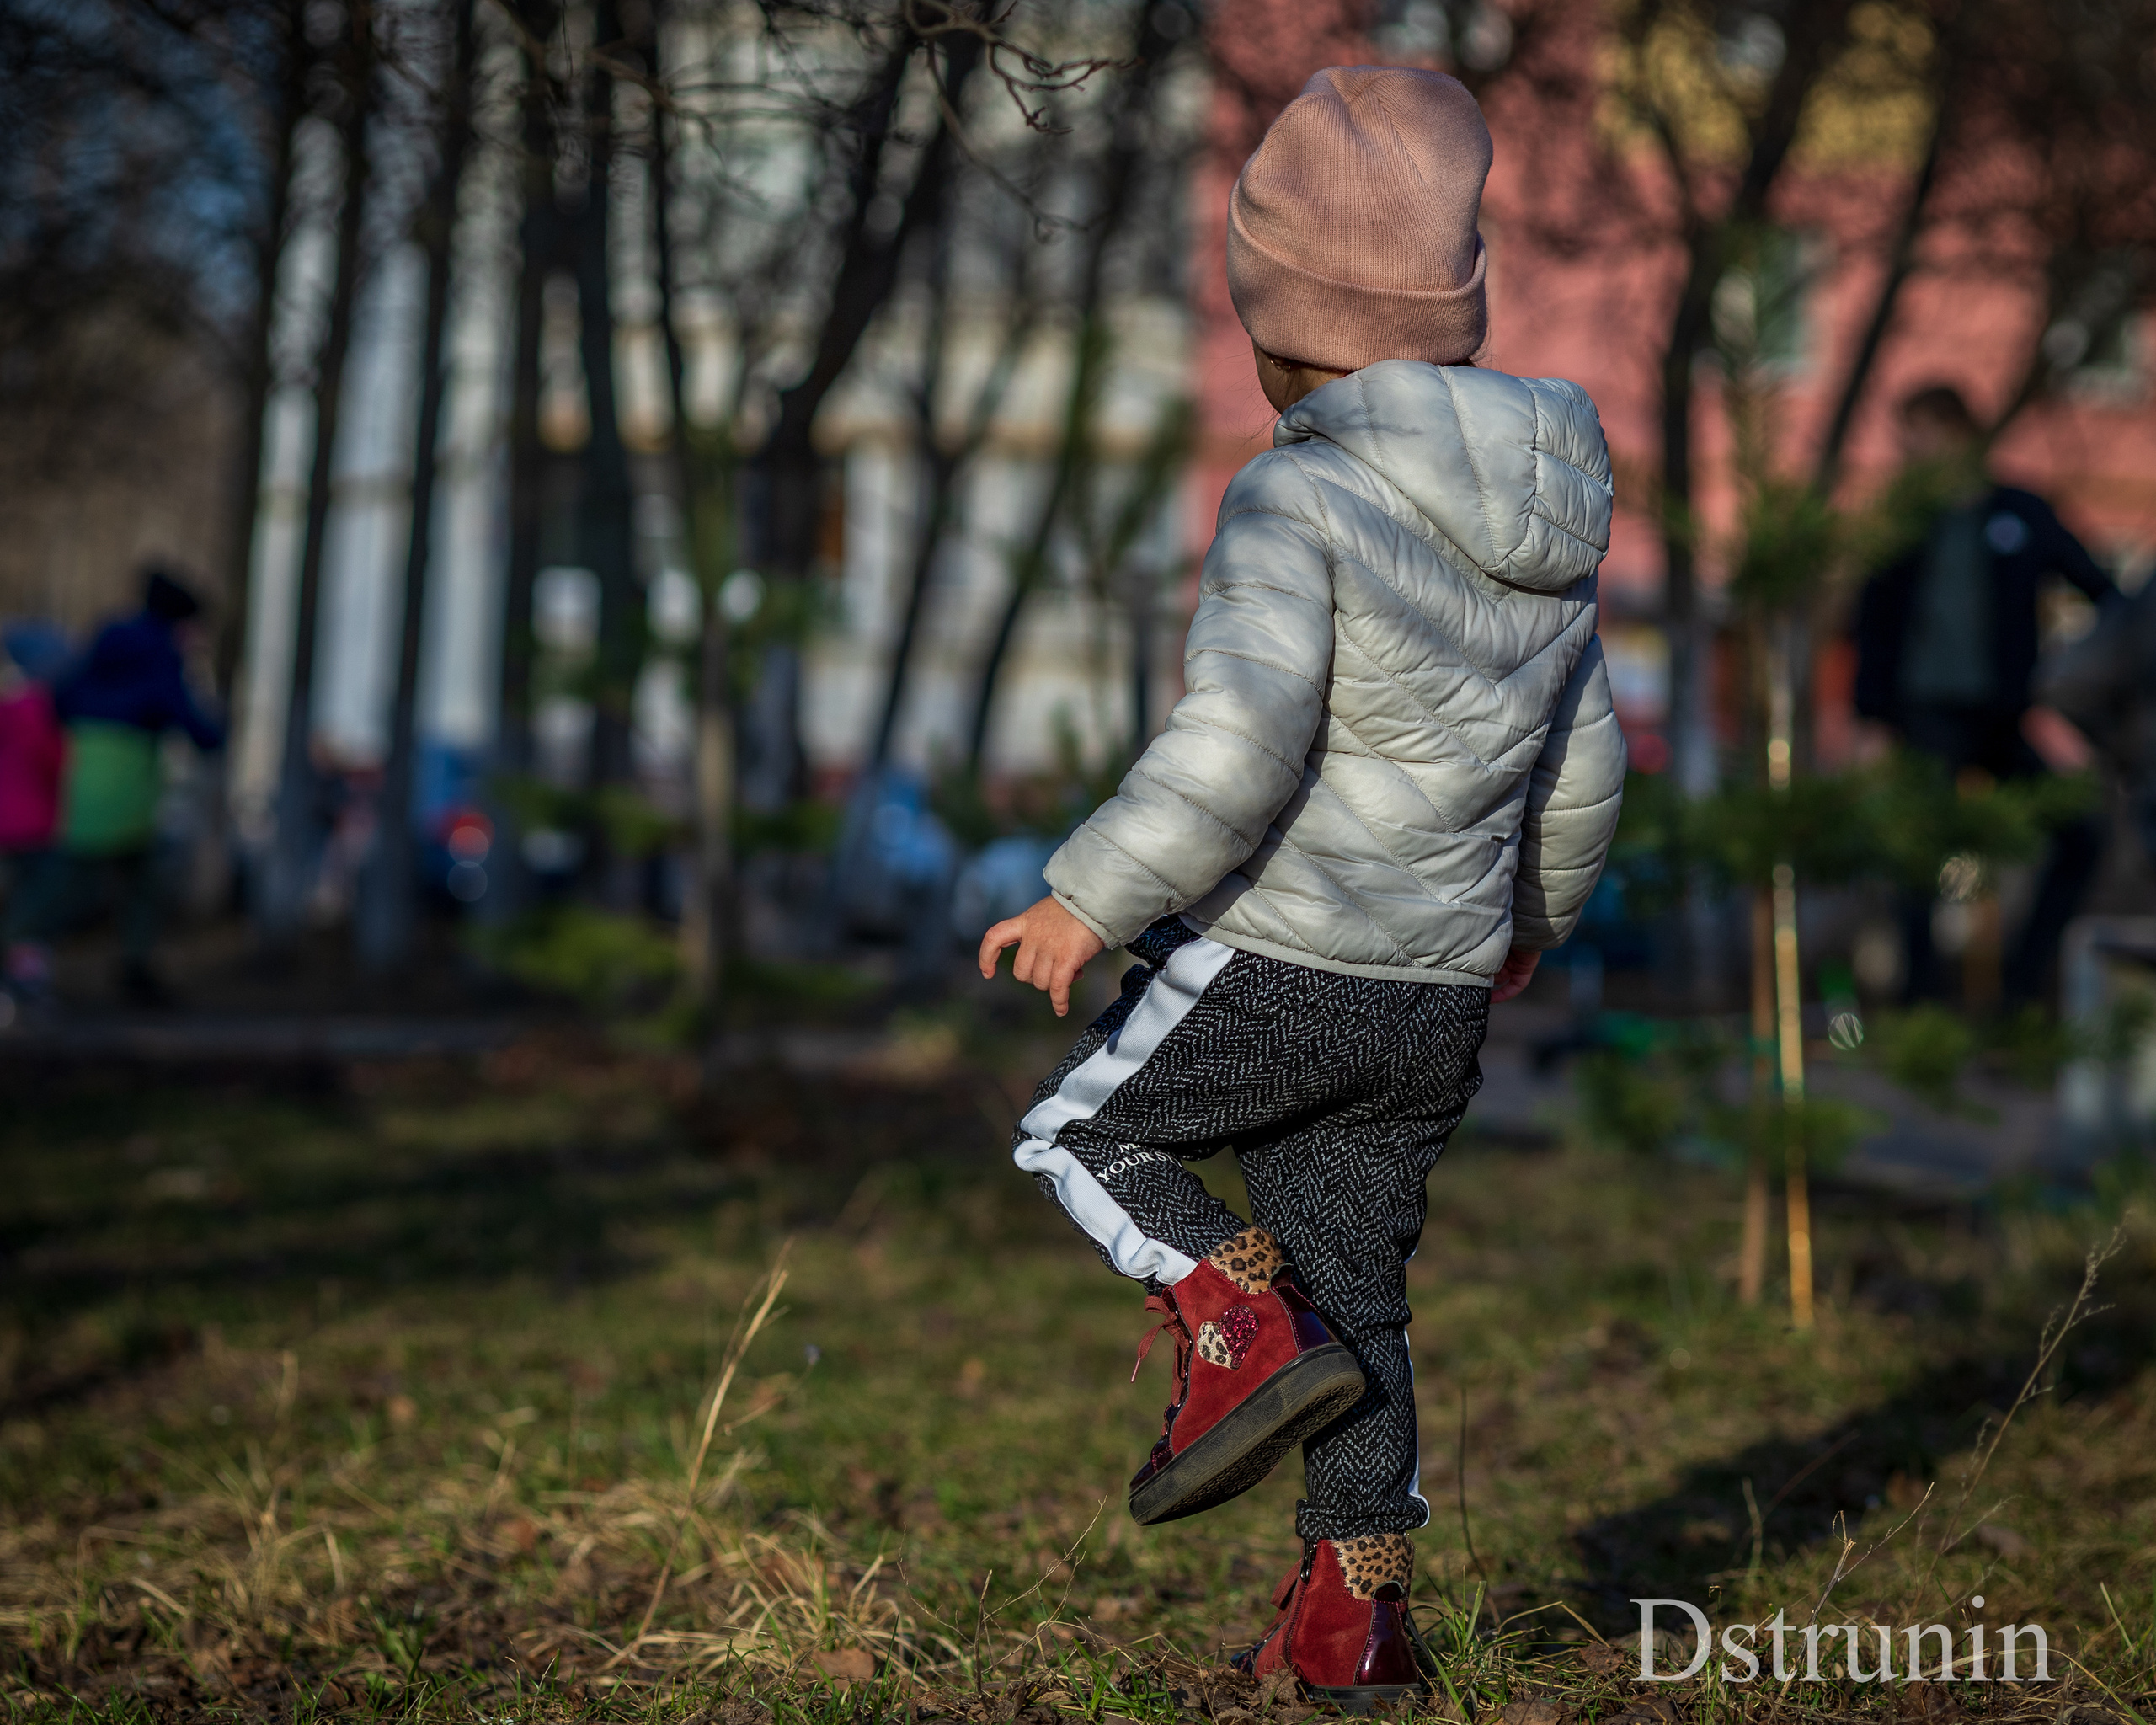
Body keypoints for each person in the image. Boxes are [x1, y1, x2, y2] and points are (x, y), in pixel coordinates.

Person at [975, 68, 1625, 1706]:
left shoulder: (1298, 490)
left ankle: (1228, 1327)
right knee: (1357, 1292)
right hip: (1433, 998)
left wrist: (1089, 896)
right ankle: (1355, 1617)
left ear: (1283, 320)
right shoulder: (1547, 527)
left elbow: (1239, 736)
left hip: (1282, 951)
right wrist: (1524, 927)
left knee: (1078, 1134)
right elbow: (1583, 766)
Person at [1853, 384, 2120, 1004]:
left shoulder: (2020, 512)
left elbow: (2103, 592)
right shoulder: (1903, 524)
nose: (1907, 454)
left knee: (2080, 837)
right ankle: (1922, 1005)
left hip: (2001, 719)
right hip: (1923, 719)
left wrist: (2082, 686)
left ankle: (2018, 994)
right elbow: (1870, 626)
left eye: (1917, 437)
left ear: (1957, 435)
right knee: (1918, 858)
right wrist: (1869, 719)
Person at [26, 567, 224, 1007]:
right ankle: (19, 943)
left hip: (90, 761)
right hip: (127, 771)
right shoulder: (160, 651)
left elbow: (62, 696)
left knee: (127, 870)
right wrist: (213, 735)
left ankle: (135, 966)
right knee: (81, 875)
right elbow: (182, 710)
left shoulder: (108, 640)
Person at [0, 621, 72, 1012]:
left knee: (15, 902)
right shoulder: (43, 709)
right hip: (35, 824)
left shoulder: (7, 708)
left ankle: (16, 983)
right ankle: (26, 982)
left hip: (8, 825)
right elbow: (54, 762)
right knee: (35, 912)